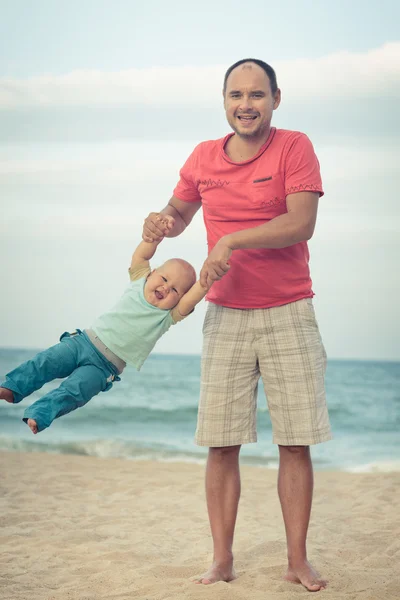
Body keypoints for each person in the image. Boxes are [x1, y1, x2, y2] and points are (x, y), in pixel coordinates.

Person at [142, 58, 331, 591]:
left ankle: (297, 561)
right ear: (224, 100)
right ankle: (222, 560)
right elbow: (177, 215)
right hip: (225, 314)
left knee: (295, 443)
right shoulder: (203, 157)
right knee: (221, 444)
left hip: (289, 311)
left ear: (275, 98)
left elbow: (302, 222)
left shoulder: (295, 146)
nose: (245, 105)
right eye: (235, 95)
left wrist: (231, 239)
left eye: (256, 95)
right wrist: (160, 223)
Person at [0, 217, 211, 434]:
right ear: (152, 273)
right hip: (82, 342)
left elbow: (193, 296)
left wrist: (208, 277)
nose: (166, 288)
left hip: (104, 368)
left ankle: (39, 415)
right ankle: (11, 387)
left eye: (175, 290)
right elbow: (142, 254)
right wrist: (155, 237)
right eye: (165, 279)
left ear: (178, 300)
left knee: (74, 392)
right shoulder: (139, 280)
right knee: (45, 363)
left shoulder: (168, 316)